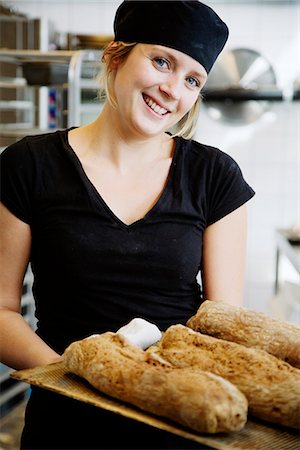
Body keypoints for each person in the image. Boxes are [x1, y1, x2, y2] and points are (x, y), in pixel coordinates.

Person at [0, 1, 255, 448]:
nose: (172, 89)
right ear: (116, 56)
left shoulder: (215, 177)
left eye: (192, 80)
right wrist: (79, 379)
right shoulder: (29, 165)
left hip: (178, 418)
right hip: (65, 419)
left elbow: (221, 326)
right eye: (161, 61)